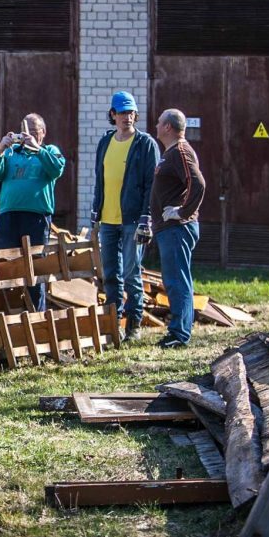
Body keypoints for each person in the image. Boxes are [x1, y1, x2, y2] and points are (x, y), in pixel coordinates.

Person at [90, 91, 160, 341]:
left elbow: (152, 184)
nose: (126, 117)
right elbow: (100, 180)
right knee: (110, 274)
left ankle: (134, 325)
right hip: (108, 219)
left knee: (131, 274)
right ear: (112, 115)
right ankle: (113, 324)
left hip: (132, 220)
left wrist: (146, 218)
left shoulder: (145, 144)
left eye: (130, 112)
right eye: (121, 112)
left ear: (135, 115)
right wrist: (95, 214)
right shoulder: (105, 142)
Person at [0, 113, 65, 312]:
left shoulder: (49, 151)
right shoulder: (12, 153)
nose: (28, 135)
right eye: (25, 132)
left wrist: (36, 149)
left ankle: (36, 315)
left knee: (35, 267)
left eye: (34, 131)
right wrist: (0, 149)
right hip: (9, 216)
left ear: (43, 133)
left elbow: (56, 169)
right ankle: (4, 314)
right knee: (4, 264)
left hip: (36, 217)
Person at [150, 108, 206, 349]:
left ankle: (179, 334)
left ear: (168, 127)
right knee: (175, 279)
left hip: (177, 229)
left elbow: (198, 183)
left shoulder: (181, 151)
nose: (156, 126)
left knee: (176, 280)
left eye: (159, 122)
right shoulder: (170, 153)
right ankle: (179, 330)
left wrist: (181, 212)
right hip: (168, 229)